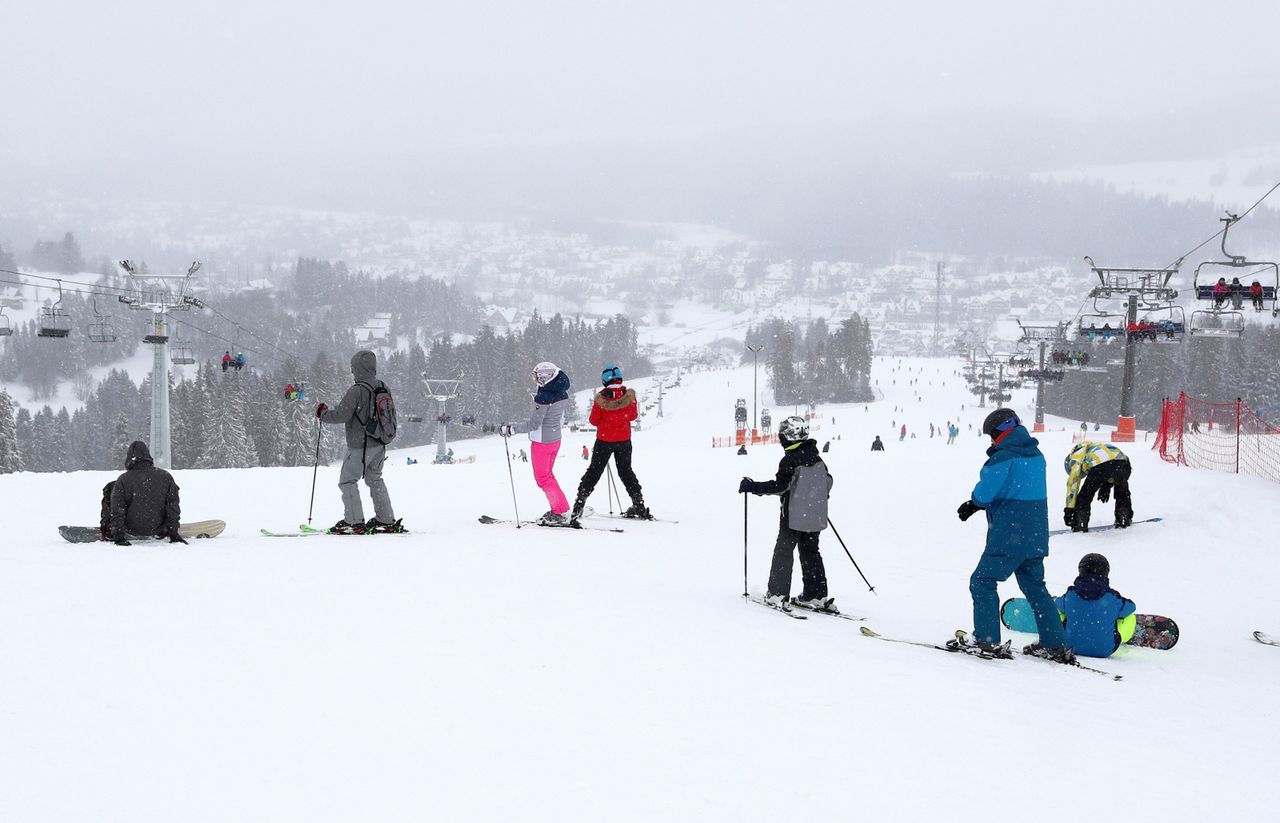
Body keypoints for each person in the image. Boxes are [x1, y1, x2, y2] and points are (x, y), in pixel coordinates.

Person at [955, 409, 1072, 662]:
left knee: (982, 581)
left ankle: (986, 641)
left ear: (1000, 432)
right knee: (1035, 588)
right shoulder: (1036, 455)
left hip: (1010, 535)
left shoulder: (1003, 458)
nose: (991, 442)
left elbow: (986, 493)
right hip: (1036, 536)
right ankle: (1054, 644)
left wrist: (972, 504)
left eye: (992, 436)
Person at [739, 416, 835, 613]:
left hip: (793, 516)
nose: (780, 438)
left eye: (781, 435)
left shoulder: (790, 459)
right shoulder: (817, 458)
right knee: (810, 552)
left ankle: (777, 594)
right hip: (815, 515)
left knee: (784, 551)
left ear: (788, 437)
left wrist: (753, 486)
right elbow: (828, 481)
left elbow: (780, 487)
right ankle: (815, 594)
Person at [315, 350, 401, 533]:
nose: (352, 372)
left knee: (347, 481)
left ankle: (354, 521)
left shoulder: (357, 390)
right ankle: (386, 519)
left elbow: (341, 415)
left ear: (358, 368)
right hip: (380, 444)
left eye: (353, 368)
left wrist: (322, 414)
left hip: (360, 446)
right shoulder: (383, 387)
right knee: (375, 479)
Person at [570, 365, 649, 522]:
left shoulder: (601, 398)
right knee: (626, 471)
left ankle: (579, 504)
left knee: (594, 471)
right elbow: (633, 416)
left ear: (604, 380)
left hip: (604, 441)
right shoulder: (629, 396)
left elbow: (593, 421)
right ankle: (639, 504)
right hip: (624, 441)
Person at [500, 362, 571, 526]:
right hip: (554, 440)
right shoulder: (560, 391)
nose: (536, 380)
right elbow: (560, 418)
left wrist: (511, 429)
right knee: (548, 476)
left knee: (543, 479)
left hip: (542, 442)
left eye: (537, 376)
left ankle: (560, 512)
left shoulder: (544, 397)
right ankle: (561, 508)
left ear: (546, 376)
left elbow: (534, 424)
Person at [1053, 553, 1136, 658]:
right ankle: (1121, 637)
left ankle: (1054, 629)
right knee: (1129, 615)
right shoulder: (1113, 598)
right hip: (1105, 650)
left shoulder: (1070, 595)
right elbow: (1131, 607)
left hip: (1071, 646)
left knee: (1059, 609)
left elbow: (1057, 603)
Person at [104, 441, 185, 546]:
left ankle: (107, 527)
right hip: (159, 529)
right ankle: (167, 527)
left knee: (110, 489)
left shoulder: (123, 480)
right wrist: (173, 532)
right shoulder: (165, 477)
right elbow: (173, 506)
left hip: (130, 529)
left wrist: (118, 536)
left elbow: (117, 509)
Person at [1063, 441, 1132, 532]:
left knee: (1085, 496)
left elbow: (1073, 484)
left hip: (1101, 466)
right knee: (1122, 492)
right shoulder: (1096, 447)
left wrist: (1069, 509)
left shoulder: (1075, 456)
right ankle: (1124, 517)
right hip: (1124, 464)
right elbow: (1113, 464)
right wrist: (1107, 485)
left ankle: (1080, 523)